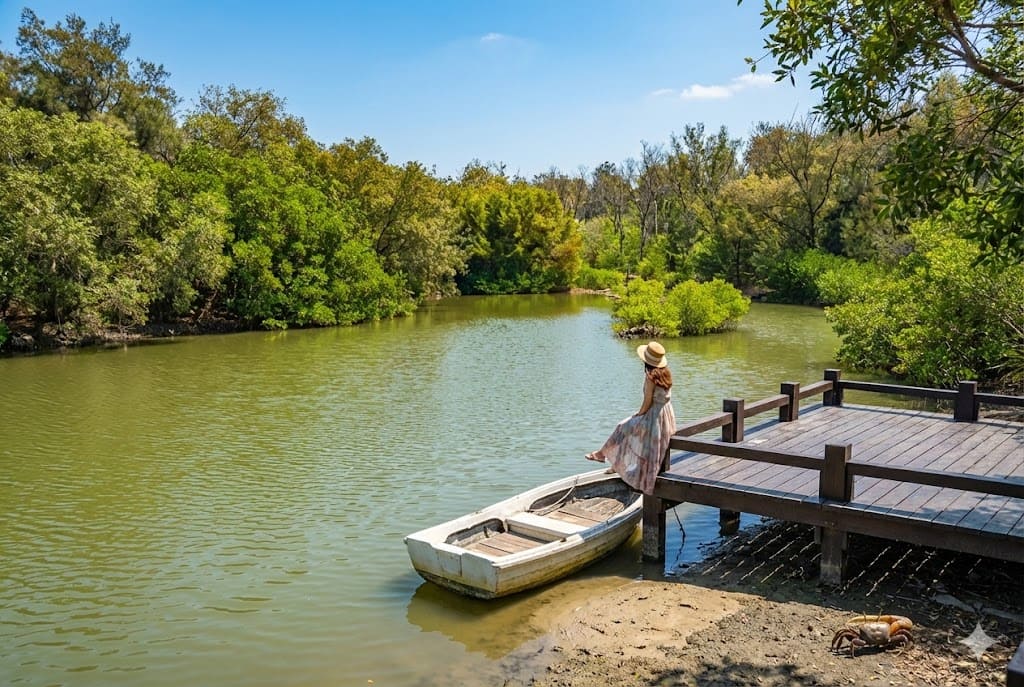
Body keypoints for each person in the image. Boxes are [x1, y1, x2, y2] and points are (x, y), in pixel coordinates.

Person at [586, 341, 676, 495]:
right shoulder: (666, 374)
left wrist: (638, 415)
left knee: (623, 426)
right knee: (630, 430)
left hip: (654, 417)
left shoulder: (650, 377)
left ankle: (603, 455)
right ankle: (615, 463)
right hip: (666, 417)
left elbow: (647, 402)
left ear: (646, 361)